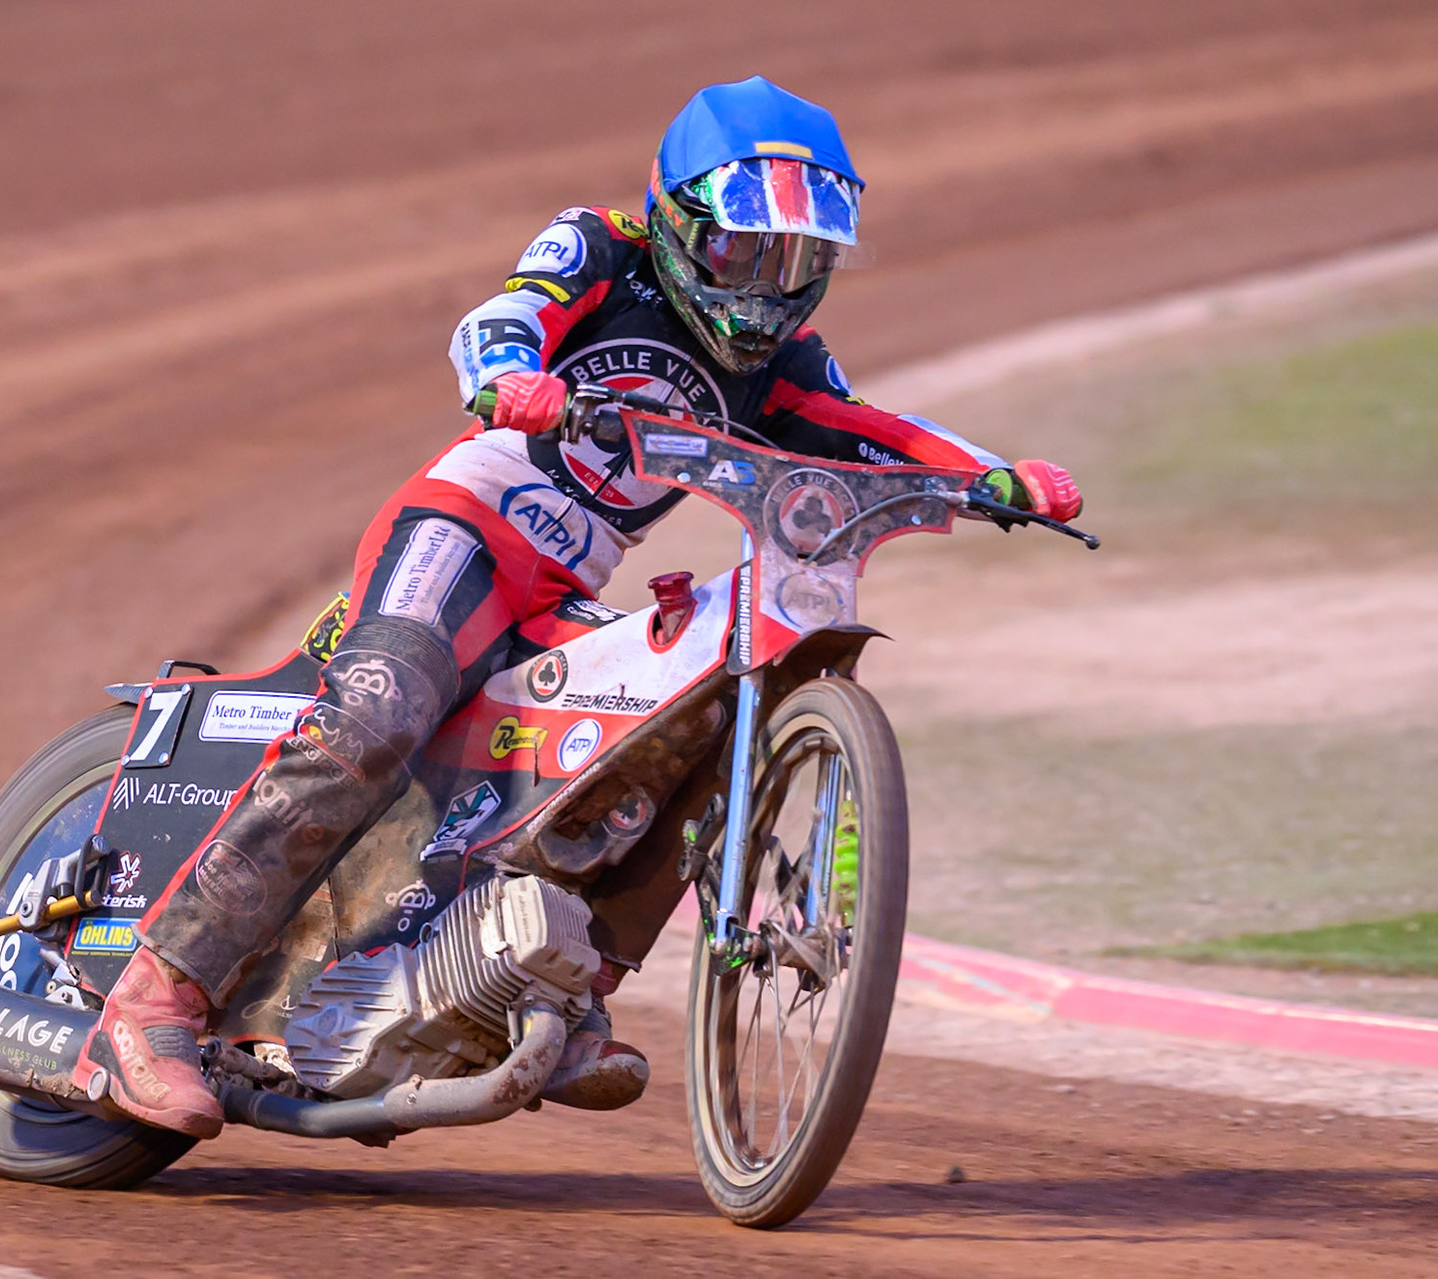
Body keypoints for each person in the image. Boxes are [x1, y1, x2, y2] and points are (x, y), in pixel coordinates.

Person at [71, 75, 1083, 1138]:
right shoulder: (602, 249)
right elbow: (500, 319)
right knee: (376, 712)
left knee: (682, 722)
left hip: (561, 590)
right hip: (461, 531)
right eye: (744, 249)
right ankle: (153, 998)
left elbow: (870, 428)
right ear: (678, 221)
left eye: (795, 261)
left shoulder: (783, 366)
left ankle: (565, 981)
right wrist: (512, 374)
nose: (766, 289)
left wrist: (993, 477)